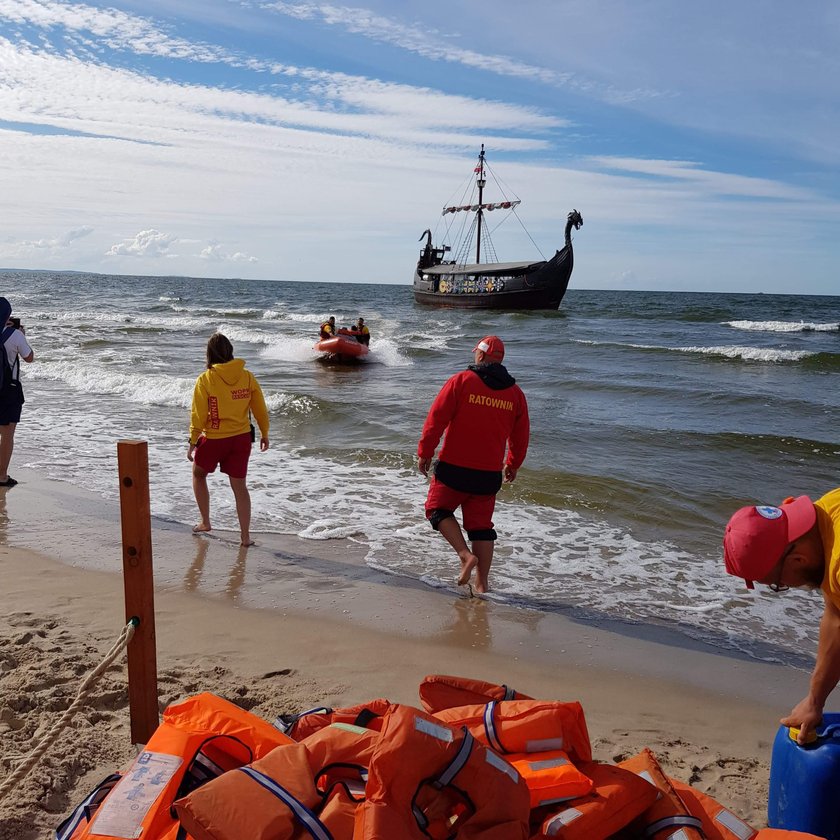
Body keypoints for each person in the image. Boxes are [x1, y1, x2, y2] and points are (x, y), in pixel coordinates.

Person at [723, 490, 840, 743]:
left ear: (798, 559)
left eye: (778, 584)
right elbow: (835, 618)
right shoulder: (828, 510)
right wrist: (814, 701)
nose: (787, 587)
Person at [417, 336, 529, 593]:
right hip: (488, 475)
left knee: (437, 510)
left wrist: (425, 451)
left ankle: (465, 555)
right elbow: (521, 436)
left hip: (454, 469)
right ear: (499, 360)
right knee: (481, 528)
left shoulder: (462, 381)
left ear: (480, 355)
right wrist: (513, 464)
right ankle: (482, 584)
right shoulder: (515, 394)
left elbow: (436, 419)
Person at [187, 333, 269, 547]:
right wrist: (265, 432)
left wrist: (193, 440)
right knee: (240, 487)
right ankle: (245, 537)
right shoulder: (247, 376)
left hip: (214, 438)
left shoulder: (205, 379)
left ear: (210, 354)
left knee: (198, 473)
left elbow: (199, 414)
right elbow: (260, 408)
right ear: (230, 351)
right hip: (241, 439)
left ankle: (205, 521)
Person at [0, 297, 34, 489]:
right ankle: (2, 476)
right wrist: (21, 335)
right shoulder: (15, 335)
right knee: (7, 434)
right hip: (8, 391)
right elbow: (29, 357)